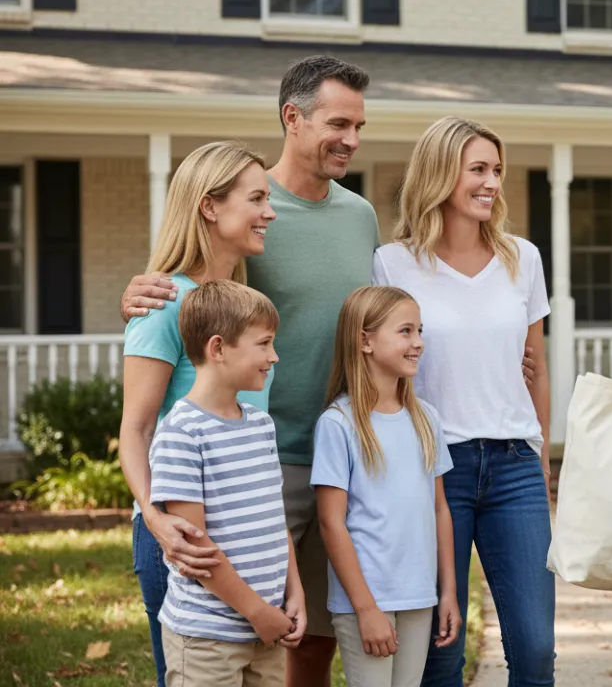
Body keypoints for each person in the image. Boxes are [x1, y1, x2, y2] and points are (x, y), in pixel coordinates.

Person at [120, 56, 534, 687]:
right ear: (293, 118)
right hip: (259, 461)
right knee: (220, 634)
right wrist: (140, 293)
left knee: (309, 637)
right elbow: (192, 291)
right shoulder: (248, 209)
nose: (352, 139)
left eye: (360, 126)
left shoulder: (360, 215)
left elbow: (382, 322)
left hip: (346, 454)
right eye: (339, 123)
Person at [371, 117, 554, 687]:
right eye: (478, 169)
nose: (492, 182)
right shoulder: (393, 264)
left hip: (514, 470)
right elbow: (379, 367)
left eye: (497, 170)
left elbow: (536, 370)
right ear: (440, 175)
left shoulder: (522, 258)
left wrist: (542, 462)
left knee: (536, 647)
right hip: (431, 469)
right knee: (439, 654)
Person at [119, 141, 278, 686]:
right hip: (184, 535)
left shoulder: (239, 305)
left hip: (247, 536)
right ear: (210, 206)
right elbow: (136, 428)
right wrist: (156, 518)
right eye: (256, 198)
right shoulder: (163, 301)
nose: (269, 212)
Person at [148, 280, 306, 686]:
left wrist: (295, 594)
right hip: (207, 639)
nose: (274, 356)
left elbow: (275, 519)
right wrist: (257, 611)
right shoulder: (182, 432)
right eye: (264, 343)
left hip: (267, 628)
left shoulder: (261, 425)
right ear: (218, 348)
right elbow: (195, 546)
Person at [312, 286, 459, 687]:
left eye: (420, 331)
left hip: (418, 596)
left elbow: (439, 509)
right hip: (367, 601)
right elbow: (331, 523)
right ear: (365, 341)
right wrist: (366, 608)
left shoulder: (426, 419)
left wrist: (447, 592)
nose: (418, 343)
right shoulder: (338, 424)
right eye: (405, 331)